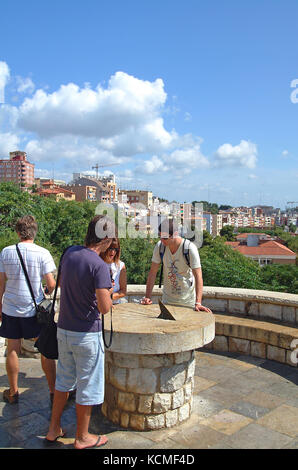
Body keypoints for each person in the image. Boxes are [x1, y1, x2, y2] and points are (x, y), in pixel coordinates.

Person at [46, 215, 114, 449]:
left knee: (64, 381)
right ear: (105, 239)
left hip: (64, 329)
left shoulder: (69, 254)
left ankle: (53, 428)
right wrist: (108, 292)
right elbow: (105, 308)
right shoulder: (99, 266)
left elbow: (63, 284)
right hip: (86, 334)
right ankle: (83, 437)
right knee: (87, 384)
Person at [0, 215, 57, 404]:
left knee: (13, 348)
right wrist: (48, 288)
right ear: (34, 232)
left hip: (10, 307)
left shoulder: (6, 252)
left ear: (18, 232)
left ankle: (13, 391)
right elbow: (50, 284)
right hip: (34, 310)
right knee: (45, 349)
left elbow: (1, 283)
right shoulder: (42, 253)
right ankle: (52, 390)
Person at [141, 219, 211, 312]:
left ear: (175, 234)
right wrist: (147, 297)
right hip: (167, 300)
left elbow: (198, 276)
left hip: (187, 302)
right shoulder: (160, 247)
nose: (162, 240)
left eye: (165, 238)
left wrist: (198, 303)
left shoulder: (189, 248)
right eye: (160, 236)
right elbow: (152, 273)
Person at [100, 238, 127, 304]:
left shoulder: (121, 266)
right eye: (110, 248)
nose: (113, 252)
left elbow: (123, 291)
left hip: (116, 305)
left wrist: (110, 297)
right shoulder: (96, 264)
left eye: (116, 249)